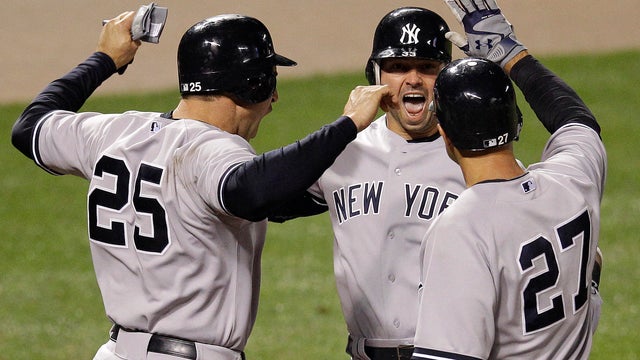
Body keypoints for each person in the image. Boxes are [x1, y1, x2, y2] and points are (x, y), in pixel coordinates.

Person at [11, 10, 390, 360]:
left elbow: (30, 126)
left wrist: (105, 59)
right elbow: (252, 191)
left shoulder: (111, 133)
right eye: (270, 82)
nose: (275, 98)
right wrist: (348, 124)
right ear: (253, 85)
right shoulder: (211, 152)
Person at [410, 1, 606, 359]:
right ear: (516, 122)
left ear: (445, 135)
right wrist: (512, 54)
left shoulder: (461, 230)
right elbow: (576, 119)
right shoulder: (573, 180)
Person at [272, 7, 468, 359]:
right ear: (374, 75)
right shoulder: (342, 151)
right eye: (397, 68)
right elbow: (261, 196)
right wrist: (343, 127)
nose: (412, 79)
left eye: (427, 67)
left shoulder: (476, 156)